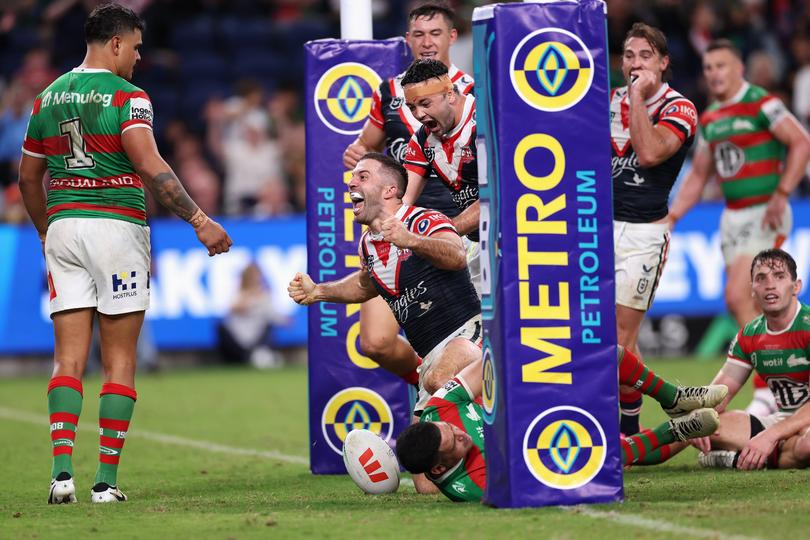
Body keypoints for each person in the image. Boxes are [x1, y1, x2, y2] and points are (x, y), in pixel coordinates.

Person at [17, 3, 232, 505]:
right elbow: (150, 164)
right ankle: (105, 483)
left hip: (65, 226)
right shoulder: (129, 98)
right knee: (119, 359)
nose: (138, 58)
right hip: (116, 225)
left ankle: (61, 475)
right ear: (115, 43)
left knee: (67, 358)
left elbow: (28, 179)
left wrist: (48, 232)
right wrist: (200, 221)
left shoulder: (46, 98)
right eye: (135, 48)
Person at [669, 39, 810, 419]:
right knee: (741, 300)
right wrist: (671, 218)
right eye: (709, 67)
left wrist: (783, 192)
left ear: (738, 68)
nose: (714, 73)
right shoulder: (712, 118)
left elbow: (800, 142)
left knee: (737, 294)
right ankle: (778, 380)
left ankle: (765, 390)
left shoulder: (763, 103)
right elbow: (699, 175)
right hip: (732, 218)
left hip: (765, 211)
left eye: (721, 66)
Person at [396, 346, 726, 502]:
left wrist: (531, 352)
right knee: (589, 460)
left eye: (450, 429)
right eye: (452, 442)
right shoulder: (474, 486)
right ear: (439, 469)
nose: (458, 432)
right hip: (539, 443)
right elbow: (545, 478)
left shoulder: (438, 411)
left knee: (601, 349)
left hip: (527, 400)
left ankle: (672, 397)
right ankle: (674, 431)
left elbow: (487, 367)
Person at [341, 2, 474, 389]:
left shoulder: (471, 96)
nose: (427, 42)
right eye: (418, 34)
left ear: (452, 37)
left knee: (479, 335)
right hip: (402, 225)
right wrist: (357, 155)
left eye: (435, 33)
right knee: (376, 342)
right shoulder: (390, 92)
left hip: (455, 228)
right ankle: (436, 386)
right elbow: (365, 149)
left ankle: (444, 394)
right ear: (407, 40)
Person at [288, 152, 481, 415]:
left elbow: (457, 256)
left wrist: (412, 240)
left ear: (390, 190)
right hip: (430, 356)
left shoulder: (422, 220)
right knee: (424, 453)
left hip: (468, 336)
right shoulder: (368, 245)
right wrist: (319, 291)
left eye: (363, 176)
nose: (351, 182)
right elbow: (365, 286)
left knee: (439, 380)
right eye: (353, 176)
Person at [610, 23, 698, 436]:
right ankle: (634, 425)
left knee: (619, 338)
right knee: (614, 339)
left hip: (644, 234)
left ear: (663, 63)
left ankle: (626, 431)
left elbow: (648, 154)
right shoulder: (603, 103)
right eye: (629, 55)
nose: (635, 63)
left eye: (645, 56)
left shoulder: (680, 108)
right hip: (597, 228)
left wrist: (636, 98)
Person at [695, 249, 810, 471]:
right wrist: (694, 423)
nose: (770, 285)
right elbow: (718, 395)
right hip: (782, 421)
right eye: (761, 278)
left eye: (779, 276)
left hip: (797, 425)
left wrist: (770, 436)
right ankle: (628, 449)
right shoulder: (749, 334)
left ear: (796, 286)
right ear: (753, 290)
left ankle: (736, 459)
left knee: (807, 447)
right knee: (704, 425)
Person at [401, 59, 480, 248]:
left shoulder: (485, 123)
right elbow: (402, 201)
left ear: (450, 94)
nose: (418, 114)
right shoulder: (422, 139)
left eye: (425, 103)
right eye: (412, 107)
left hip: (516, 234)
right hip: (473, 240)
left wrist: (440, 234)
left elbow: (497, 197)